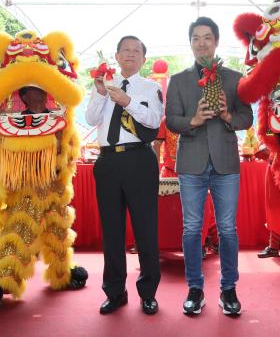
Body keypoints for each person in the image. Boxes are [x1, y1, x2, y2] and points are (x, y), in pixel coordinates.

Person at [166, 16, 253, 316]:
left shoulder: (234, 78)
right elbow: (171, 120)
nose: (201, 43)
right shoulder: (178, 81)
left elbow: (247, 117)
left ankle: (229, 289)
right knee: (191, 228)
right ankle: (195, 288)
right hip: (190, 162)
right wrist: (193, 120)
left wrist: (229, 117)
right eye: (196, 38)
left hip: (226, 162)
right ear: (190, 44)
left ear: (216, 41)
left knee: (228, 228)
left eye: (207, 37)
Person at [85, 36, 163, 315]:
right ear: (117, 56)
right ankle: (115, 292)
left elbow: (154, 121)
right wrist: (101, 93)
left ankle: (148, 292)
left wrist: (127, 101)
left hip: (139, 159)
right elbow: (91, 119)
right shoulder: (104, 84)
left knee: (145, 228)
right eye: (125, 50)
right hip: (107, 162)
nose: (130, 55)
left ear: (144, 58)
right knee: (112, 231)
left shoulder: (151, 87)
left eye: (136, 51)